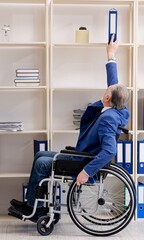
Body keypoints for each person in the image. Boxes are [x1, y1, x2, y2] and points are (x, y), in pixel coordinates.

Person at [8, 35, 130, 222]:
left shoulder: (108, 119)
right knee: (41, 155)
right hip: (84, 155)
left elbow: (109, 151)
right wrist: (111, 55)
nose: (105, 88)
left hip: (84, 162)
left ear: (107, 98)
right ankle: (31, 204)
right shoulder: (120, 107)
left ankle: (35, 209)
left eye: (107, 89)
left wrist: (86, 172)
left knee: (42, 163)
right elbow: (114, 83)